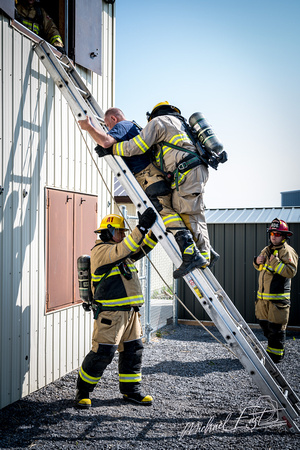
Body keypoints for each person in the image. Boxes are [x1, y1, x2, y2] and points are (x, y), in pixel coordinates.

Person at [79, 107, 206, 279]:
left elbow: (107, 142)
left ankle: (190, 252)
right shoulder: (135, 128)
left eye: (108, 125)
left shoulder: (122, 126)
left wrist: (89, 128)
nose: (109, 129)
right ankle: (199, 251)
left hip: (148, 177)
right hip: (157, 176)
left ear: (114, 119)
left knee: (165, 213)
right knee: (167, 214)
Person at [75, 207, 158, 408]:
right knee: (102, 352)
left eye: (124, 232)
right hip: (110, 315)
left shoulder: (121, 252)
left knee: (133, 351)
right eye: (120, 231)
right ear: (109, 232)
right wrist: (141, 226)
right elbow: (126, 248)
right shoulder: (102, 251)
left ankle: (131, 391)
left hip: (131, 314)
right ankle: (83, 391)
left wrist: (155, 232)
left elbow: (141, 247)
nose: (123, 235)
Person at [253, 218, 298, 363]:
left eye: (277, 234)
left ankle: (276, 358)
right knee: (265, 326)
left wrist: (275, 262)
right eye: (272, 233)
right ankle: (273, 353)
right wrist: (257, 261)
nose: (274, 236)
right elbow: (261, 268)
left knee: (276, 330)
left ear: (284, 236)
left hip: (278, 301)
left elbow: (290, 272)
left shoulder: (288, 252)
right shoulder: (266, 250)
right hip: (263, 300)